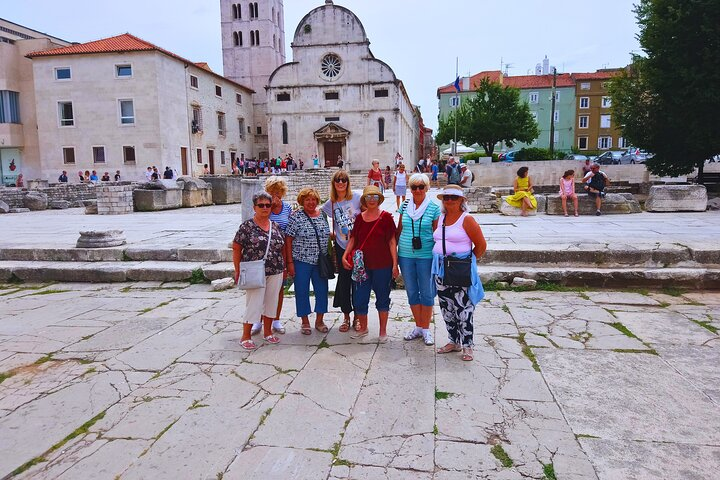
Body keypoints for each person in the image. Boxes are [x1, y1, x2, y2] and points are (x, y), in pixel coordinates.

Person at [432, 185, 487, 361]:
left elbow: (481, 246)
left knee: (464, 308)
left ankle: (468, 345)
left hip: (459, 268)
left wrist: (465, 262)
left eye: (453, 198)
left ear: (461, 200)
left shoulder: (467, 219)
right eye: (446, 197)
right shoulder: (441, 218)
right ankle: (453, 340)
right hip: (441, 269)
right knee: (446, 307)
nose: (449, 201)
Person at [342, 185, 398, 342]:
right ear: (364, 200)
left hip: (382, 264)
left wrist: (395, 264)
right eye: (368, 197)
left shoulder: (386, 217)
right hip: (362, 266)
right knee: (360, 297)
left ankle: (382, 331)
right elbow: (353, 238)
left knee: (382, 297)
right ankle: (364, 328)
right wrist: (345, 255)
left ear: (379, 200)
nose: (371, 200)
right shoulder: (359, 218)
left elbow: (392, 242)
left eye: (374, 197)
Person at [233, 192, 287, 350]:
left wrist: (284, 267)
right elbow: (236, 248)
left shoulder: (274, 226)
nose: (265, 208)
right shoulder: (247, 226)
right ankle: (246, 336)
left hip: (275, 269)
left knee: (271, 302)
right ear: (254, 207)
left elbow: (281, 247)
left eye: (267, 205)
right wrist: (237, 270)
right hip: (254, 270)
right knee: (254, 303)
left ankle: (268, 332)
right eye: (261, 205)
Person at [397, 173, 441, 346]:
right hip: (405, 255)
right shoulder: (405, 205)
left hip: (425, 255)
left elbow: (437, 234)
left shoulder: (433, 208)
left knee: (427, 292)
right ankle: (418, 326)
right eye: (413, 187)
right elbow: (399, 228)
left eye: (421, 187)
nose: (417, 190)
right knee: (412, 291)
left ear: (426, 188)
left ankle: (426, 328)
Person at [250, 177, 292, 336]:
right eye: (272, 191)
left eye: (278, 192)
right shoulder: (264, 207)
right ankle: (257, 320)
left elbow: (289, 231)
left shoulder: (287, 208)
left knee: (278, 290)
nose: (275, 195)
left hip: (279, 254)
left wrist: (289, 260)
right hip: (262, 255)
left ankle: (276, 319)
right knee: (260, 289)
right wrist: (269, 207)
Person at [286, 188, 331, 335]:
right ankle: (305, 321)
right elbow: (289, 239)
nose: (311, 202)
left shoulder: (322, 215)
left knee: (321, 291)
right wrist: (290, 263)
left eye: (313, 199)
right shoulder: (296, 216)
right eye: (307, 200)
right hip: (301, 261)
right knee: (302, 291)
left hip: (320, 261)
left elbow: (325, 233)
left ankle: (319, 320)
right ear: (302, 201)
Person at [322, 169, 362, 332]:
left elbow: (369, 211)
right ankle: (346, 316)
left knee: (358, 281)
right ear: (334, 183)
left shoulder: (357, 198)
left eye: (343, 180)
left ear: (348, 182)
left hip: (358, 246)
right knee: (344, 281)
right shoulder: (330, 203)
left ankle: (358, 317)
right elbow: (318, 215)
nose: (341, 183)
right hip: (341, 246)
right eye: (338, 180)